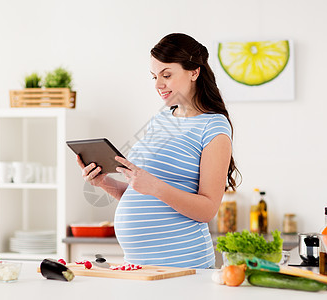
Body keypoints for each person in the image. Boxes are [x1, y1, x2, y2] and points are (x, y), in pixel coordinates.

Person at [76, 33, 239, 269]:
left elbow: (207, 209)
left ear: (194, 72)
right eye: (154, 76)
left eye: (167, 75)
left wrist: (155, 186)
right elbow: (141, 193)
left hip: (183, 265)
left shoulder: (213, 127)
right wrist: (104, 182)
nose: (158, 84)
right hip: (140, 266)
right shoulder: (162, 118)